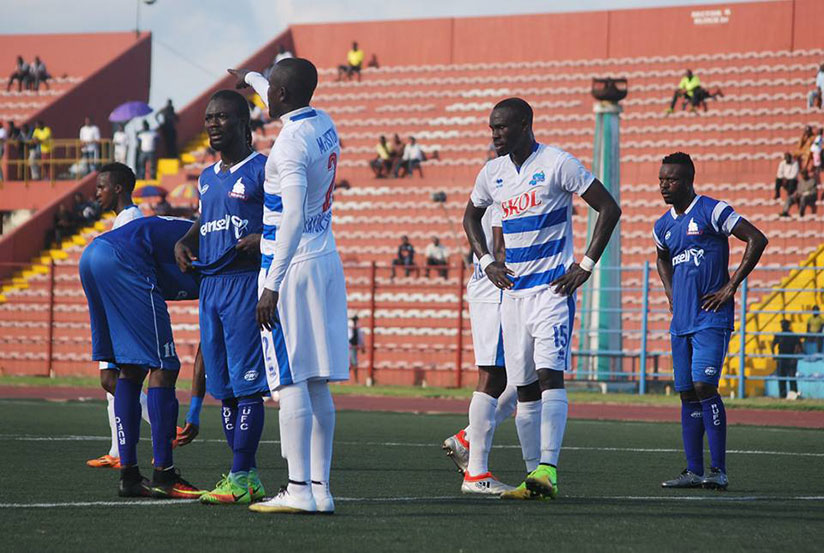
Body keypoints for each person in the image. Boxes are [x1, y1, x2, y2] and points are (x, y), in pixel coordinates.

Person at [465, 97, 621, 500]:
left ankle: (549, 467)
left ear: (524, 124)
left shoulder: (557, 163)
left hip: (552, 291)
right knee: (524, 387)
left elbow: (609, 208)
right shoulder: (492, 173)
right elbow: (470, 216)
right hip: (513, 296)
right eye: (492, 128)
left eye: (501, 127)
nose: (495, 134)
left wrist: (585, 265)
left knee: (550, 375)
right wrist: (486, 263)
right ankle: (534, 478)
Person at [229, 56, 348, 515]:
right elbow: (279, 93)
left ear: (281, 96)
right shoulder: (322, 121)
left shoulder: (288, 145)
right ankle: (320, 489)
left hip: (290, 267)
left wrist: (271, 286)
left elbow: (294, 214)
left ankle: (298, 488)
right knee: (317, 381)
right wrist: (253, 78)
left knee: (292, 381)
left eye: (270, 91)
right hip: (323, 257)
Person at [174, 88, 269, 505]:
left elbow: (290, 220)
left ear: (244, 124)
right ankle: (244, 477)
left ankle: (241, 473)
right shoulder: (207, 176)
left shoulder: (265, 169)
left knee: (248, 387)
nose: (212, 123)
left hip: (245, 283)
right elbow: (204, 218)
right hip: (209, 287)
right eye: (209, 117)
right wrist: (184, 240)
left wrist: (262, 239)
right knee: (223, 389)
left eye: (222, 117)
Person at [654, 152, 767, 490]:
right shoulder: (662, 225)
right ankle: (692, 471)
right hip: (681, 322)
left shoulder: (712, 210)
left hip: (711, 319)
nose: (664, 185)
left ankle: (718, 471)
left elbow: (756, 238)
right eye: (661, 179)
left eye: (671, 180)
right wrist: (670, 291)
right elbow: (661, 259)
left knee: (704, 387)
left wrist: (730, 286)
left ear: (688, 181)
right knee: (687, 393)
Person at [79, 214, 206, 499]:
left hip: (92, 256)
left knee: (132, 368)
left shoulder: (209, 237)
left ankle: (130, 476)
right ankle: (165, 474)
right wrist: (195, 412)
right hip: (125, 259)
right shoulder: (226, 267)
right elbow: (208, 343)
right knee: (164, 365)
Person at [442, 206, 519, 495]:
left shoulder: (494, 175)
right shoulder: (504, 179)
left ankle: (468, 440)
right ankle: (476, 472)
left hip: (494, 287)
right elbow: (500, 244)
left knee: (523, 377)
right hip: (499, 289)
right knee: (496, 377)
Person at [84, 162, 148, 469]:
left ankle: (164, 423)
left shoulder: (130, 219)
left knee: (112, 379)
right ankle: (118, 450)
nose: (97, 193)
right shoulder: (123, 219)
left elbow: (126, 268)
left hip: (123, 312)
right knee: (112, 382)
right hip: (117, 311)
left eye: (101, 187)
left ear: (118, 188)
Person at [771, 320, 802, 399]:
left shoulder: (793, 335)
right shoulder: (779, 335)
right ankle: (782, 395)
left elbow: (798, 346)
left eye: (784, 324)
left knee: (792, 377)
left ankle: (794, 394)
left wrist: (795, 357)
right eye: (782, 324)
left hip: (790, 358)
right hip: (782, 358)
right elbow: (773, 345)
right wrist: (774, 355)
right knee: (781, 377)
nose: (782, 325)